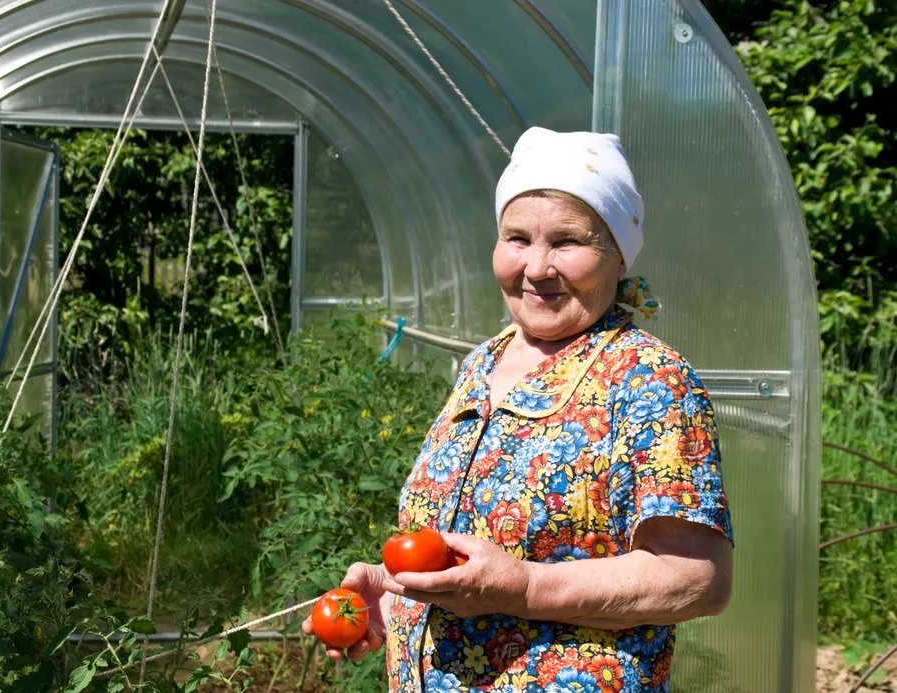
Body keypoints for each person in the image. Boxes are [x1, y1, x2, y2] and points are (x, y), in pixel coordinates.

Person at [303, 127, 734, 691]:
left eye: (566, 242)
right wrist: (397, 594)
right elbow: (467, 546)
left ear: (617, 255)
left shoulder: (646, 379)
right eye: (516, 238)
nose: (536, 267)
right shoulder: (488, 359)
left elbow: (698, 579)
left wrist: (525, 588)